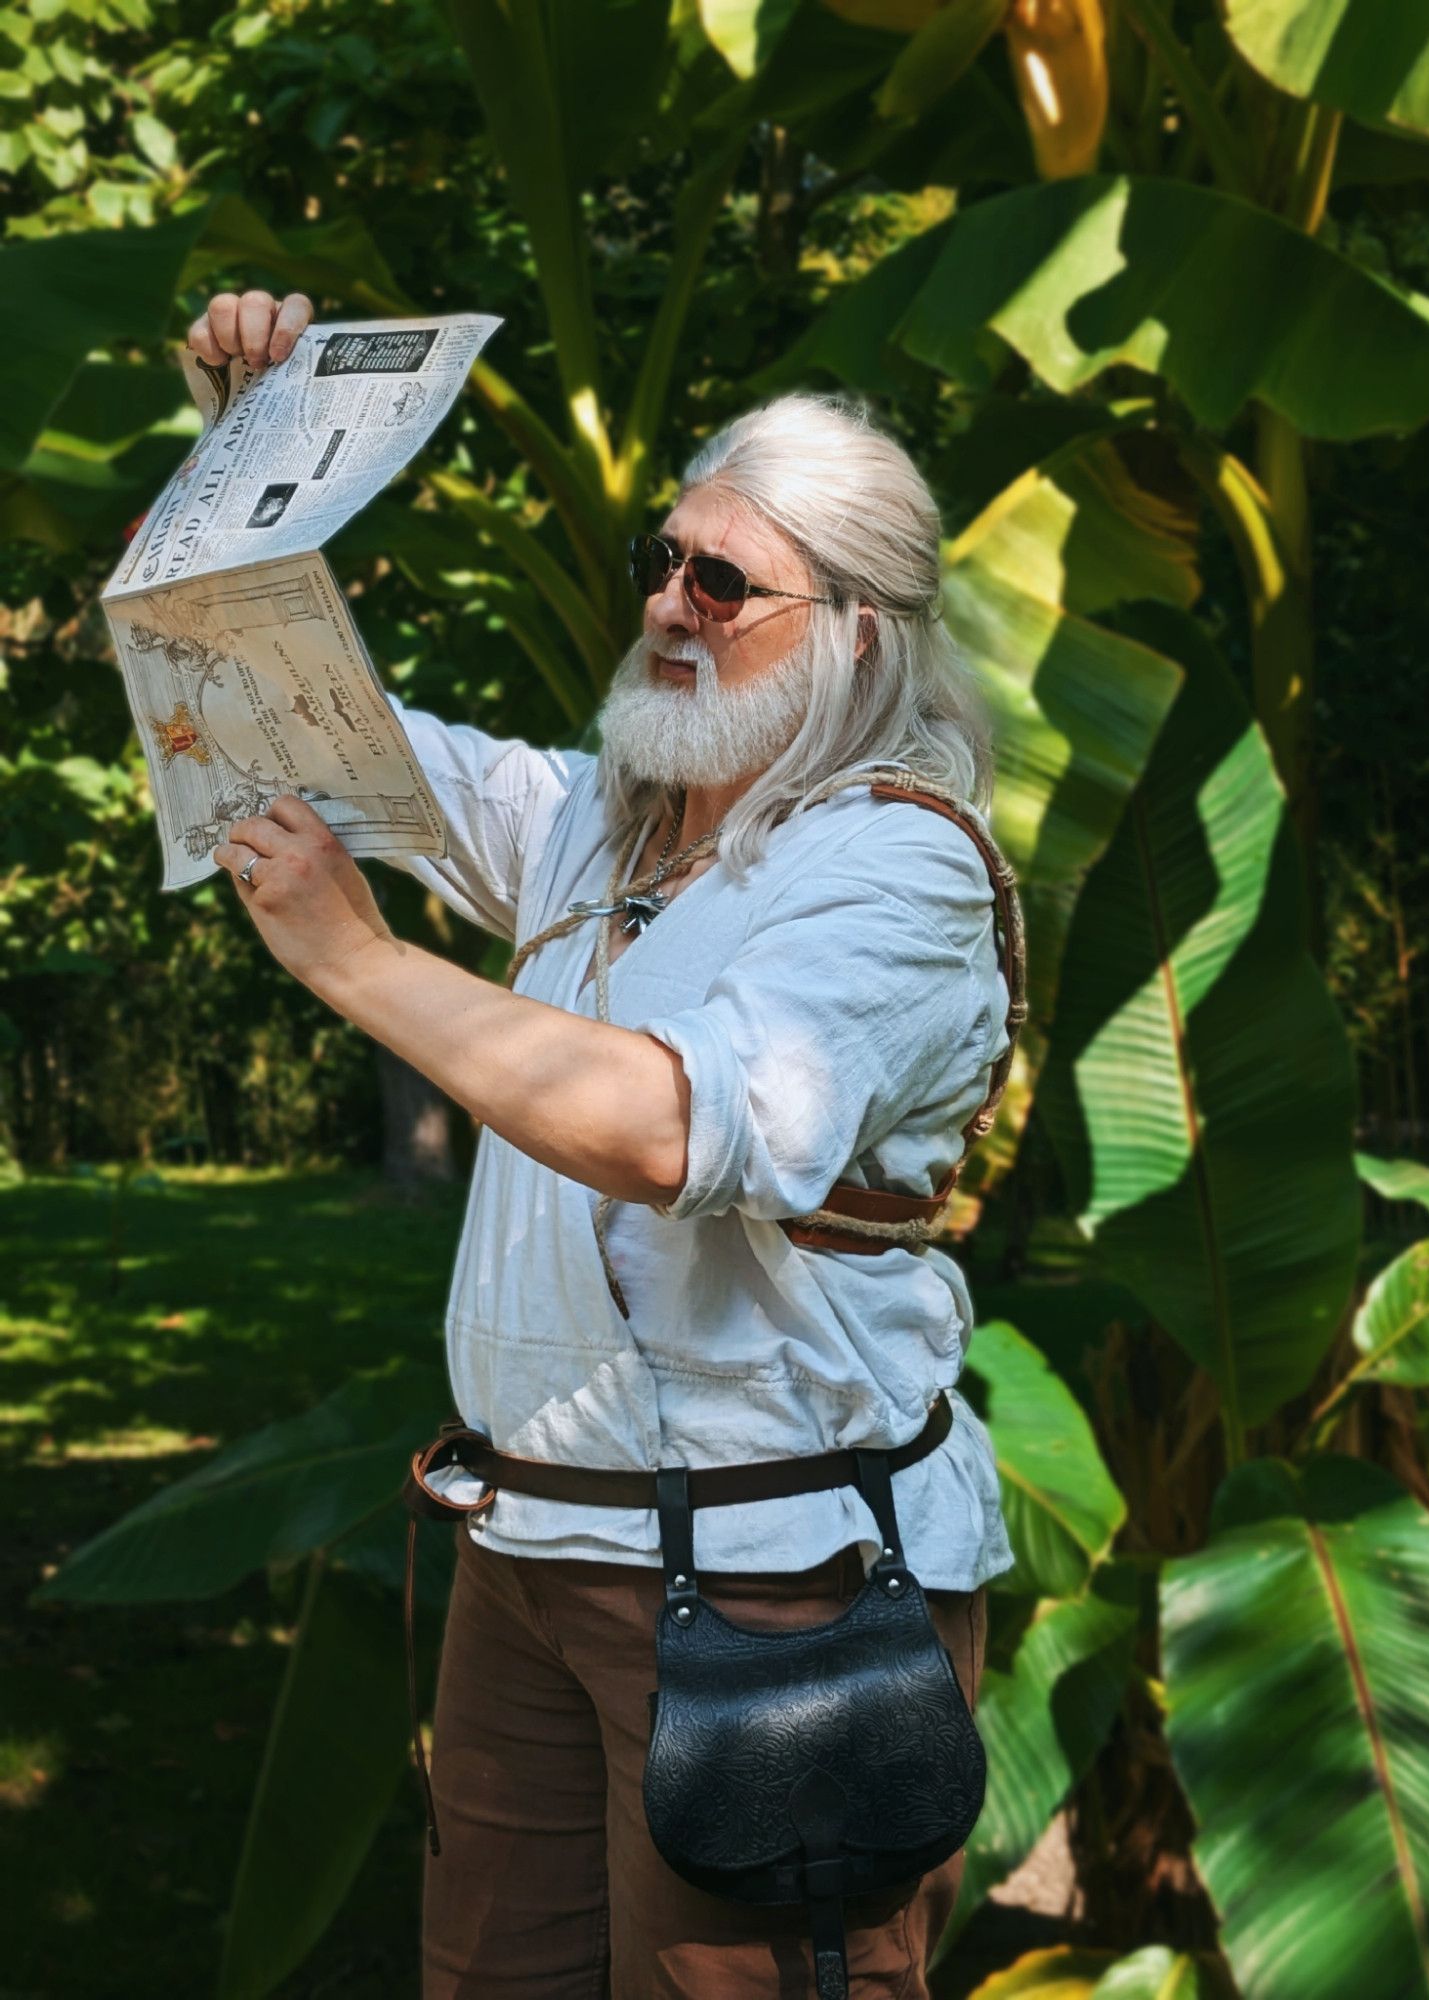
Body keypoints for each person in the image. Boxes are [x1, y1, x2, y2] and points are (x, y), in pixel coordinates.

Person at [188, 290, 1017, 1997]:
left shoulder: (898, 870)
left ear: (856, 632)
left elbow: (666, 1125)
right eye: (667, 559)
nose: (666, 604)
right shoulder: (593, 821)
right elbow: (285, 723)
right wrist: (242, 446)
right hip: (533, 1545)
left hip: (772, 1587)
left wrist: (357, 957)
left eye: (722, 583)